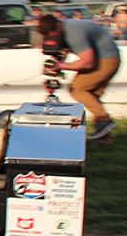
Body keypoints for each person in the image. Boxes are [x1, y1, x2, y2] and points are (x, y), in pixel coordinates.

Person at [34, 13, 121, 141]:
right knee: (92, 98)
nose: (54, 37)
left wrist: (61, 66)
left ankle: (104, 120)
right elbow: (61, 53)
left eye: (54, 34)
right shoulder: (63, 28)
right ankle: (104, 138)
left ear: (58, 25)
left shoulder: (75, 33)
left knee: (77, 89)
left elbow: (87, 62)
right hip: (105, 58)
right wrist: (54, 68)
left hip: (105, 60)